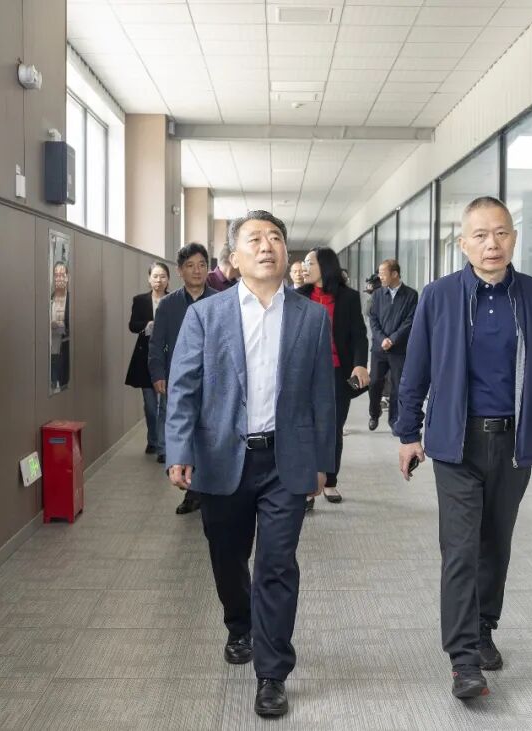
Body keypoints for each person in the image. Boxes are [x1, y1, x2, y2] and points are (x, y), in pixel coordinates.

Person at [396, 196, 532, 700]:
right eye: (480, 235)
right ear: (463, 243)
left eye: (500, 233)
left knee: (496, 543)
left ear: (513, 238)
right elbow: (416, 369)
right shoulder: (439, 296)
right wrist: (408, 434)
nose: (491, 243)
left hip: (514, 442)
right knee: (460, 548)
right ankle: (463, 660)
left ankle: (483, 627)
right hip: (456, 442)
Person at [165, 210, 335, 719]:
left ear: (285, 253)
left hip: (286, 459)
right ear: (235, 258)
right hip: (222, 457)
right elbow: (184, 388)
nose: (267, 246)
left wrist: (324, 462)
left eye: (275, 237)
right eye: (255, 239)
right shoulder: (206, 315)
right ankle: (239, 625)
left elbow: (322, 397)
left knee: (277, 565)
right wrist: (179, 449)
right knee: (228, 557)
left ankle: (272, 673)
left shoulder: (311, 317)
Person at [297, 248, 370, 509]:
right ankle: (308, 486)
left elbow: (359, 335)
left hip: (337, 373)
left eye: (310, 263)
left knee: (333, 428)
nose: (304, 267)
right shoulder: (298, 296)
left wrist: (360, 364)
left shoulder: (348, 297)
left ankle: (330, 480)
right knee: (306, 428)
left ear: (325, 266)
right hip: (305, 375)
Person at [149, 243, 216, 514]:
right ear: (179, 271)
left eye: (202, 265)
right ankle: (192, 490)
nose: (197, 271)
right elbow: (157, 344)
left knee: (209, 433)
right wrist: (158, 373)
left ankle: (208, 488)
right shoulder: (168, 305)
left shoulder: (220, 301)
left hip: (213, 380)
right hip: (179, 380)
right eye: (190, 266)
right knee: (183, 431)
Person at [367, 259, 418, 432]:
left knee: (397, 386)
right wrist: (382, 339)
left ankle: (394, 420)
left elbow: (410, 321)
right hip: (379, 348)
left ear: (395, 274)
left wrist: (393, 339)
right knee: (374, 383)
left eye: (383, 273)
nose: (380, 277)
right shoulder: (377, 295)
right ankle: (374, 413)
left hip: (399, 350)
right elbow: (373, 319)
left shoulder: (411, 295)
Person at [125, 263, 171, 455]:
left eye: (163, 276)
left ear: (168, 279)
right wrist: (147, 325)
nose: (159, 280)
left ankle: (162, 447)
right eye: (155, 276)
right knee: (151, 406)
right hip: (145, 357)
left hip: (168, 357)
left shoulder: (174, 300)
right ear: (149, 278)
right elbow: (132, 325)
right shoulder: (140, 300)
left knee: (166, 405)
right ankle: (152, 439)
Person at [50, 261, 70, 391]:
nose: (59, 278)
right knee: (51, 386)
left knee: (64, 387)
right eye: (56, 275)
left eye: (62, 274)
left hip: (64, 349)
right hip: (51, 350)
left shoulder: (72, 299)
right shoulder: (51, 297)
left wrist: (60, 326)